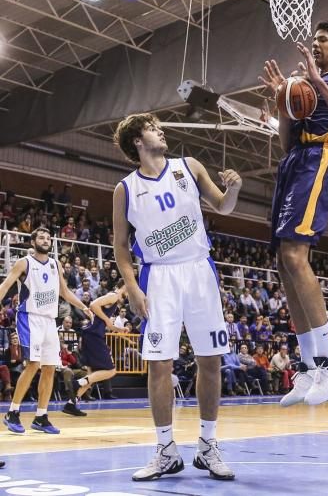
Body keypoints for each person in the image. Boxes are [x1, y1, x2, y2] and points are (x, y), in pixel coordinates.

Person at [111, 113, 243, 481]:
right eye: (153, 128)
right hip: (159, 276)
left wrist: (232, 189)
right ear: (137, 141)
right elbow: (121, 248)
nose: (161, 131)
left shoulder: (189, 166)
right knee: (159, 364)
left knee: (211, 360)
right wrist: (133, 287)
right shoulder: (125, 188)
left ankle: (207, 445)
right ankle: (166, 450)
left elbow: (223, 206)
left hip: (199, 269)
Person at [258, 21, 328, 407]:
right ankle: (306, 365)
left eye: (322, 39)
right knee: (282, 263)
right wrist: (282, 101)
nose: (315, 44)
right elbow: (286, 143)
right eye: (313, 39)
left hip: (321, 158)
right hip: (295, 161)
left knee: (294, 255)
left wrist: (319, 82)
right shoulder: (304, 83)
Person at [0, 228, 92, 435]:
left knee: (50, 367)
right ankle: (12, 412)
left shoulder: (55, 264)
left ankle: (41, 416)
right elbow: (5, 285)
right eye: (41, 237)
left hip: (50, 320)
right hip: (29, 318)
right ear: (33, 241)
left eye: (48, 238)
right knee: (33, 365)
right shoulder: (24, 263)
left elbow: (65, 292)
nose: (45, 240)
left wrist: (84, 307)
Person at [63, 284, 129, 416]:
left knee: (92, 375)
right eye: (129, 290)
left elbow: (102, 321)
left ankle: (71, 403)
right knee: (110, 371)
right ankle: (78, 383)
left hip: (91, 335)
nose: (129, 294)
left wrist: (119, 329)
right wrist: (108, 321)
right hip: (93, 336)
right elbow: (93, 305)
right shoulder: (113, 296)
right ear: (124, 287)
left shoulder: (114, 299)